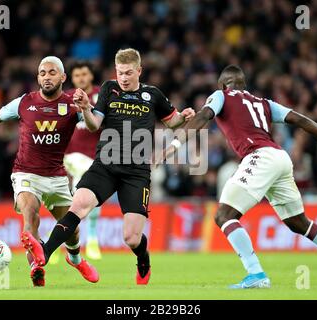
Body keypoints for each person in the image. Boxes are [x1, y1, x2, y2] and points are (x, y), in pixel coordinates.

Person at [158, 65, 317, 289]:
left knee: (224, 215)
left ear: (222, 85)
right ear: (244, 85)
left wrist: (176, 143)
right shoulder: (264, 103)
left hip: (259, 157)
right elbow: (299, 119)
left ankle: (256, 274)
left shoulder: (221, 95)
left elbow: (204, 115)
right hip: (280, 158)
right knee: (299, 223)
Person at [21, 48, 195, 285]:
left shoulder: (152, 95)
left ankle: (143, 259)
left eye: (128, 73)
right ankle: (45, 252)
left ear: (139, 71)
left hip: (136, 172)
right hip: (105, 165)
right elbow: (94, 125)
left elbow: (174, 122)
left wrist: (185, 116)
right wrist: (85, 108)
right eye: (120, 72)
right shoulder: (108, 89)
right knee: (79, 205)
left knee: (131, 238)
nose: (123, 77)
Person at [0, 56, 99, 287]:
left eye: (52, 72)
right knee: (30, 213)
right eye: (42, 73)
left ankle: (75, 259)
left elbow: (94, 126)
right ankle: (36, 266)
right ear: (37, 77)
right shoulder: (24, 102)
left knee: (71, 230)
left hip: (56, 177)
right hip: (26, 174)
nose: (46, 77)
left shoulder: (73, 104)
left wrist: (86, 108)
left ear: (63, 77)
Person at [64, 61, 103, 260]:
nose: (81, 78)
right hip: (66, 156)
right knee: (66, 199)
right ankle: (88, 237)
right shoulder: (66, 97)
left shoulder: (100, 96)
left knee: (84, 195)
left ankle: (91, 237)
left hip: (92, 156)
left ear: (91, 76)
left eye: (84, 74)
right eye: (77, 75)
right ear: (72, 78)